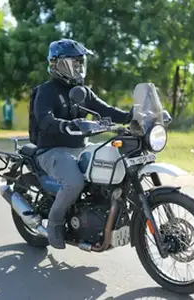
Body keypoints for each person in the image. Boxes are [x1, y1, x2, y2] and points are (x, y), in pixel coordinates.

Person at [33, 39, 133, 249]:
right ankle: (54, 224)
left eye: (80, 63)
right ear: (57, 64)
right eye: (73, 63)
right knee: (75, 182)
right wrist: (64, 125)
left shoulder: (83, 91)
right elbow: (44, 119)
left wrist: (133, 116)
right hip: (52, 150)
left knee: (113, 170)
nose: (78, 67)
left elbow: (107, 110)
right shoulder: (46, 91)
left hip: (81, 148)